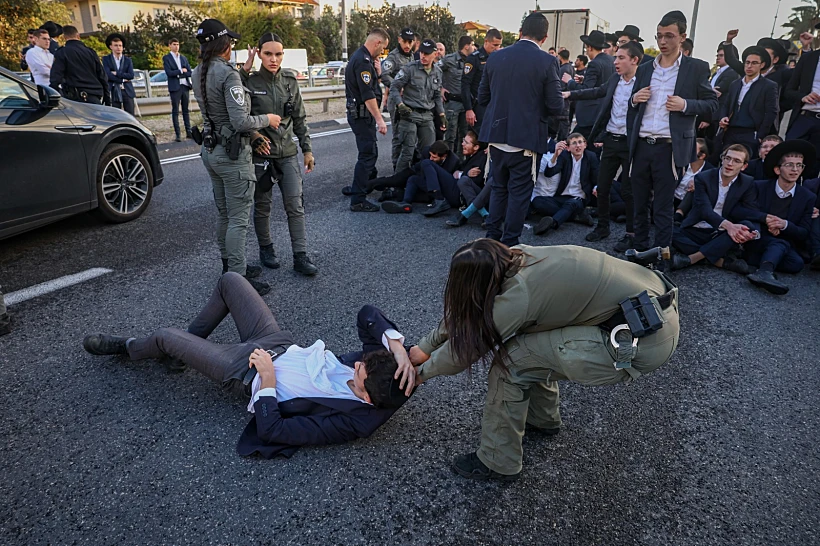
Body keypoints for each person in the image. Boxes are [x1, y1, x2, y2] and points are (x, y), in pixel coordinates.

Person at [408, 239, 680, 480]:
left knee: (511, 362)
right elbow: (472, 313)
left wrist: (419, 375)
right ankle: (542, 419)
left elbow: (463, 351)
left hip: (637, 340)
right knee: (531, 344)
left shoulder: (519, 296)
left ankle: (497, 460)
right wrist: (424, 346)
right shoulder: (520, 255)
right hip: (653, 311)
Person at [82, 272, 412, 459]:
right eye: (360, 364)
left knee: (166, 336)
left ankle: (129, 347)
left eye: (358, 376)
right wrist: (397, 348)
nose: (354, 367)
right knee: (231, 281)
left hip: (247, 370)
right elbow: (368, 314)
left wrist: (267, 380)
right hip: (276, 341)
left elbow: (275, 430)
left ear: (368, 399)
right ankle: (177, 353)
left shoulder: (354, 422)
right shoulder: (388, 373)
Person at [191, 19, 279, 295]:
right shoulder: (227, 74)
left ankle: (229, 265)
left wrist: (246, 66)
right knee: (239, 219)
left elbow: (225, 92)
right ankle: (238, 280)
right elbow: (241, 121)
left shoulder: (199, 72)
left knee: (224, 215)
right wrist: (269, 118)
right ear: (225, 45)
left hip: (210, 150)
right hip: (232, 155)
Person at [627, 10, 718, 254]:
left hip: (670, 146)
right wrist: (635, 98)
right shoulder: (646, 67)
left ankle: (661, 254)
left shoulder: (696, 68)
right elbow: (631, 105)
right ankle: (639, 250)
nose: (663, 42)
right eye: (659, 36)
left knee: (664, 205)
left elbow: (712, 104)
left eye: (669, 36)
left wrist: (685, 104)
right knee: (639, 202)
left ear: (682, 37)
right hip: (642, 143)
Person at [479, 13, 564, 247]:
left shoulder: (496, 58)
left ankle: (491, 240)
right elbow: (556, 105)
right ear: (545, 37)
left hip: (496, 137)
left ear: (520, 31)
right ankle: (510, 245)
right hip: (525, 139)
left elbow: (482, 97)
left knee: (498, 189)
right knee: (519, 194)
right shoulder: (547, 61)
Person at [241, 33, 318, 277]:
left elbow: (299, 118)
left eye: (278, 54)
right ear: (259, 54)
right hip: (261, 155)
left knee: (295, 205)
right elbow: (240, 117)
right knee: (262, 206)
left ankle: (300, 255)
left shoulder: (289, 80)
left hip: (287, 153)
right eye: (268, 54)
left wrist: (307, 149)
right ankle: (266, 249)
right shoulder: (250, 82)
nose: (274, 59)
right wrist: (255, 137)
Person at [564, 41, 642, 247]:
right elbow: (596, 91)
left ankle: (631, 234)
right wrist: (570, 93)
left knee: (628, 190)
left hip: (631, 144)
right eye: (615, 57)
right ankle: (603, 227)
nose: (615, 61)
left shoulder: (644, 83)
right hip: (611, 140)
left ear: (635, 60)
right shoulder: (615, 79)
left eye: (621, 58)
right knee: (603, 185)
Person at [667, 144, 758, 272]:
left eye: (736, 161)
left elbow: (748, 211)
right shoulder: (703, 177)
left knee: (747, 225)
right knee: (669, 230)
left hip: (720, 234)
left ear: (744, 166)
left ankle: (693, 258)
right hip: (697, 228)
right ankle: (720, 261)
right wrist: (729, 226)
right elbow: (704, 211)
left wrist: (746, 231)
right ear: (722, 159)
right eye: (727, 158)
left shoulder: (747, 182)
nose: (730, 163)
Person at [744, 140, 817, 294]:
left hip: (783, 240)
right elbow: (741, 210)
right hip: (756, 236)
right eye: (789, 165)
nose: (795, 169)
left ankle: (756, 266)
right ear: (777, 169)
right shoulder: (759, 186)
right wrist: (766, 219)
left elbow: (804, 232)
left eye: (799, 165)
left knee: (796, 263)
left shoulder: (807, 197)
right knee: (780, 245)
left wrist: (784, 225)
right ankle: (765, 271)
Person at [346, 28, 390, 212]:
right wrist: (380, 120)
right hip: (363, 115)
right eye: (384, 48)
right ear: (377, 43)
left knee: (368, 152)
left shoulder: (362, 58)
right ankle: (358, 199)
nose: (383, 52)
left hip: (360, 114)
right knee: (368, 154)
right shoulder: (363, 62)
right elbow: (367, 94)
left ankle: (363, 184)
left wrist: (378, 73)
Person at [389, 39, 446, 174]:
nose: (423, 57)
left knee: (429, 151)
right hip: (410, 114)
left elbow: (437, 95)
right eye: (421, 53)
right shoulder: (410, 69)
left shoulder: (437, 72)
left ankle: (423, 181)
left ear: (435, 54)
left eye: (427, 54)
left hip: (427, 115)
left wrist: (442, 114)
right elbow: (394, 87)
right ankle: (397, 184)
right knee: (407, 152)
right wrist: (400, 104)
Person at [716, 47, 778, 159]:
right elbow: (726, 104)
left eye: (754, 63)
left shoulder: (769, 85)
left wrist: (760, 135)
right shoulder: (735, 84)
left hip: (751, 133)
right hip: (731, 131)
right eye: (747, 62)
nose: (749, 66)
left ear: (762, 65)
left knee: (747, 165)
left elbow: (771, 111)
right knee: (727, 161)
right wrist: (723, 117)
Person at [531, 133, 598, 236]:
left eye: (580, 142)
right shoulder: (564, 156)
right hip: (561, 196)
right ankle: (576, 216)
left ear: (585, 144)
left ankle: (553, 222)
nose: (578, 146)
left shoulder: (591, 157)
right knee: (537, 201)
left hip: (579, 197)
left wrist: (596, 187)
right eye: (574, 143)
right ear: (568, 147)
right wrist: (555, 155)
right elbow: (549, 173)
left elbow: (596, 177)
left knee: (572, 203)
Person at [564, 30, 615, 143]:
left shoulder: (594, 64)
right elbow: (603, 82)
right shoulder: (610, 60)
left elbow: (586, 90)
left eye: (586, 48)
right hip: (604, 113)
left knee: (575, 143)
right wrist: (584, 79)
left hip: (590, 115)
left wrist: (570, 82)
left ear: (590, 47)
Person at [381, 141, 458, 214]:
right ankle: (405, 203)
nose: (431, 158)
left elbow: (447, 181)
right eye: (430, 155)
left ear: (444, 156)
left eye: (434, 157)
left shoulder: (454, 161)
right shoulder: (427, 153)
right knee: (413, 179)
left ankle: (439, 200)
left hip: (448, 191)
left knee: (426, 162)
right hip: (434, 187)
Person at [380, 27, 415, 171]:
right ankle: (396, 167)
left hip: (408, 100)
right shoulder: (393, 57)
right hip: (396, 101)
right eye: (405, 41)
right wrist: (397, 86)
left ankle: (406, 165)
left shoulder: (411, 56)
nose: (407, 45)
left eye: (410, 42)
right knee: (398, 135)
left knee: (409, 134)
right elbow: (384, 74)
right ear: (399, 40)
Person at [49, 26, 110, 106]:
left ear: (64, 37)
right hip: (94, 97)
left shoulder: (62, 52)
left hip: (75, 99)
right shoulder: (91, 52)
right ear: (78, 36)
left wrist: (54, 99)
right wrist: (107, 98)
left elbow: (55, 78)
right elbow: (102, 76)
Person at [462, 29, 503, 137]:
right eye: (494, 45)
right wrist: (468, 109)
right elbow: (465, 84)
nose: (497, 48)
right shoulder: (474, 58)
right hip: (477, 105)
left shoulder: (499, 58)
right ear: (486, 41)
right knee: (476, 137)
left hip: (493, 105)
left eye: (499, 45)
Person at [445, 130, 490, 227]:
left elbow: (477, 180)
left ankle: (479, 214)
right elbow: (461, 169)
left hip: (484, 196)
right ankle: (484, 214)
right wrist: (464, 173)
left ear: (476, 147)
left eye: (466, 142)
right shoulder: (472, 156)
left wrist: (463, 174)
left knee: (463, 181)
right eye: (463, 140)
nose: (462, 144)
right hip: (476, 195)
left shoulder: (481, 158)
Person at [440, 36, 474, 155]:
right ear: (466, 46)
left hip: (466, 104)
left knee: (464, 137)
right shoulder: (449, 60)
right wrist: (440, 87)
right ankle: (447, 162)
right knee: (450, 136)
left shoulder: (472, 60)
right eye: (472, 45)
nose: (474, 48)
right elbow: (434, 70)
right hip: (452, 104)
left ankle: (460, 163)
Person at [673, 138, 715, 223]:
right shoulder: (679, 164)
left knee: (698, 184)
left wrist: (697, 183)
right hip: (671, 199)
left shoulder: (710, 171)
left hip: (690, 205)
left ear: (702, 156)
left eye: (692, 149)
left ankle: (679, 214)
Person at [164, 38, 193, 142]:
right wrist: (180, 71)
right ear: (170, 45)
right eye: (174, 44)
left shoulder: (183, 58)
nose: (176, 46)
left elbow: (189, 72)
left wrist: (179, 73)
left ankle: (188, 132)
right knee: (175, 111)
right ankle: (178, 134)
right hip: (175, 87)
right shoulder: (167, 58)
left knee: (186, 110)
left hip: (185, 86)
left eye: (177, 44)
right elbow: (169, 73)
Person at [102, 33, 136, 115]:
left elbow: (131, 75)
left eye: (120, 45)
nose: (118, 48)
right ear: (111, 47)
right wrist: (123, 79)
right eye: (116, 45)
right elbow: (108, 75)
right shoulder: (106, 59)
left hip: (126, 90)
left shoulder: (127, 60)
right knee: (116, 114)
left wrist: (117, 73)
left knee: (130, 114)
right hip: (113, 90)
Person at [556, 49, 575, 141]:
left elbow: (561, 85)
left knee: (562, 122)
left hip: (563, 98)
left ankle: (562, 141)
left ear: (560, 56)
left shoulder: (563, 69)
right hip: (568, 98)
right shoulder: (571, 67)